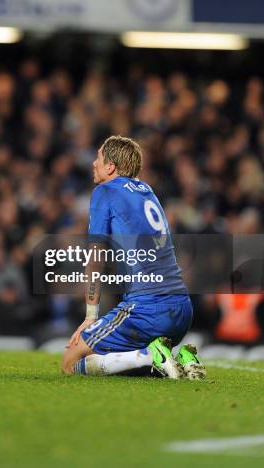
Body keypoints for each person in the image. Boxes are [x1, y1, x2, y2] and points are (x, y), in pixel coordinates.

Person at [61, 135, 206, 379]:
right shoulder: (148, 192)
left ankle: (149, 355)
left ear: (111, 167)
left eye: (98, 158)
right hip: (182, 309)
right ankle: (179, 358)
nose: (93, 163)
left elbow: (96, 257)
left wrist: (90, 317)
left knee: (70, 362)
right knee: (121, 361)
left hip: (147, 309)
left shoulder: (104, 191)